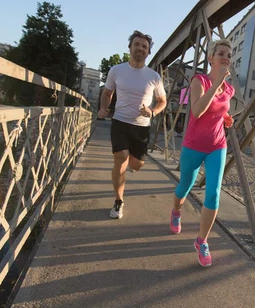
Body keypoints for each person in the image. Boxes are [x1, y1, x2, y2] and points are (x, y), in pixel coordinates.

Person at [168, 39, 235, 267]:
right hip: (194, 144)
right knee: (185, 186)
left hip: (217, 145)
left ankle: (202, 241)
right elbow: (197, 111)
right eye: (221, 53)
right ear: (211, 58)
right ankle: (176, 211)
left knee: (214, 193)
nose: (225, 57)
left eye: (229, 54)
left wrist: (226, 119)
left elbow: (218, 110)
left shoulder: (229, 89)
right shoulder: (200, 80)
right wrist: (216, 83)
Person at [98, 30, 167, 219]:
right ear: (130, 47)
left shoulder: (154, 76)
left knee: (136, 165)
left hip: (142, 126)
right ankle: (118, 201)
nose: (140, 48)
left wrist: (152, 112)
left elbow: (162, 101)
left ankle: (129, 160)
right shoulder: (116, 70)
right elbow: (106, 93)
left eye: (144, 46)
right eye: (137, 44)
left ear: (148, 52)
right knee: (120, 158)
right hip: (120, 121)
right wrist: (104, 109)